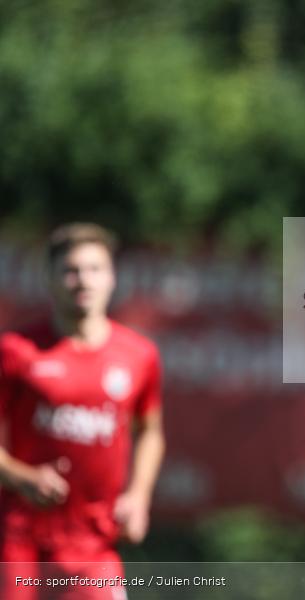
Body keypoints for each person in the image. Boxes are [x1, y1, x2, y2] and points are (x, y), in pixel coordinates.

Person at [0, 223, 166, 600]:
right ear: (51, 279)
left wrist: (138, 496)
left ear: (111, 278)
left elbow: (151, 432)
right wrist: (21, 477)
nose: (83, 281)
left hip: (94, 541)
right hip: (20, 540)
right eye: (71, 271)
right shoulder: (16, 351)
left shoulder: (139, 355)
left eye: (94, 269)